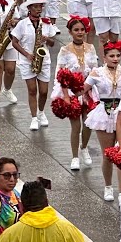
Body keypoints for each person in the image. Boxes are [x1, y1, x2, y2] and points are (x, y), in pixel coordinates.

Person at [85, 41, 121, 201]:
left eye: (118, 55)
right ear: (104, 57)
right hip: (103, 115)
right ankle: (108, 186)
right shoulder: (97, 72)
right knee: (107, 153)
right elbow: (81, 88)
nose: (115, 59)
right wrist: (66, 87)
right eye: (112, 56)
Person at [53, 16, 98, 171]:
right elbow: (60, 74)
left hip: (88, 90)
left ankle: (84, 147)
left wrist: (86, 87)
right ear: (70, 32)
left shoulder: (91, 48)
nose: (80, 32)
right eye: (76, 30)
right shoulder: (64, 50)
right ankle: (75, 157)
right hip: (72, 92)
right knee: (76, 126)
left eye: (82, 30)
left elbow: (95, 70)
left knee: (88, 123)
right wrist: (66, 95)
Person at [11, 0, 57, 131]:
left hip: (44, 60)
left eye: (40, 6)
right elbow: (14, 42)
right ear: (29, 8)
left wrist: (46, 39)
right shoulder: (22, 24)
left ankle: (41, 112)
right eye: (36, 7)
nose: (39, 9)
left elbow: (53, 43)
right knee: (32, 90)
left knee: (43, 91)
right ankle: (34, 118)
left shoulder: (46, 23)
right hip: (27, 61)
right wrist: (27, 55)